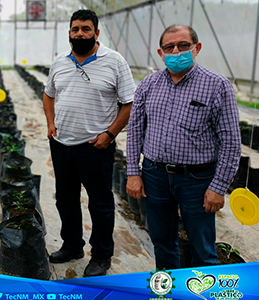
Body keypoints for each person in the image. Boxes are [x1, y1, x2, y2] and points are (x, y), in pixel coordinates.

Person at [126, 25, 241, 270]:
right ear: (161, 52)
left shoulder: (217, 86)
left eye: (183, 45)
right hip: (154, 175)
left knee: (203, 248)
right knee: (162, 242)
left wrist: (219, 187)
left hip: (197, 180)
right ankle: (168, 290)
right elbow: (135, 131)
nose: (176, 51)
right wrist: (133, 173)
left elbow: (230, 141)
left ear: (196, 48)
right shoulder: (148, 85)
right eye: (169, 47)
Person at [43, 9, 135, 277]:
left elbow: (130, 103)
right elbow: (48, 95)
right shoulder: (60, 62)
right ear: (69, 33)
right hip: (61, 145)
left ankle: (102, 255)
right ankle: (73, 245)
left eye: (85, 28)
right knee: (66, 200)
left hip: (95, 147)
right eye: (75, 29)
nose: (80, 33)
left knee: (100, 203)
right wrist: (50, 123)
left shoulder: (115, 62)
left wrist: (110, 133)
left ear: (96, 32)